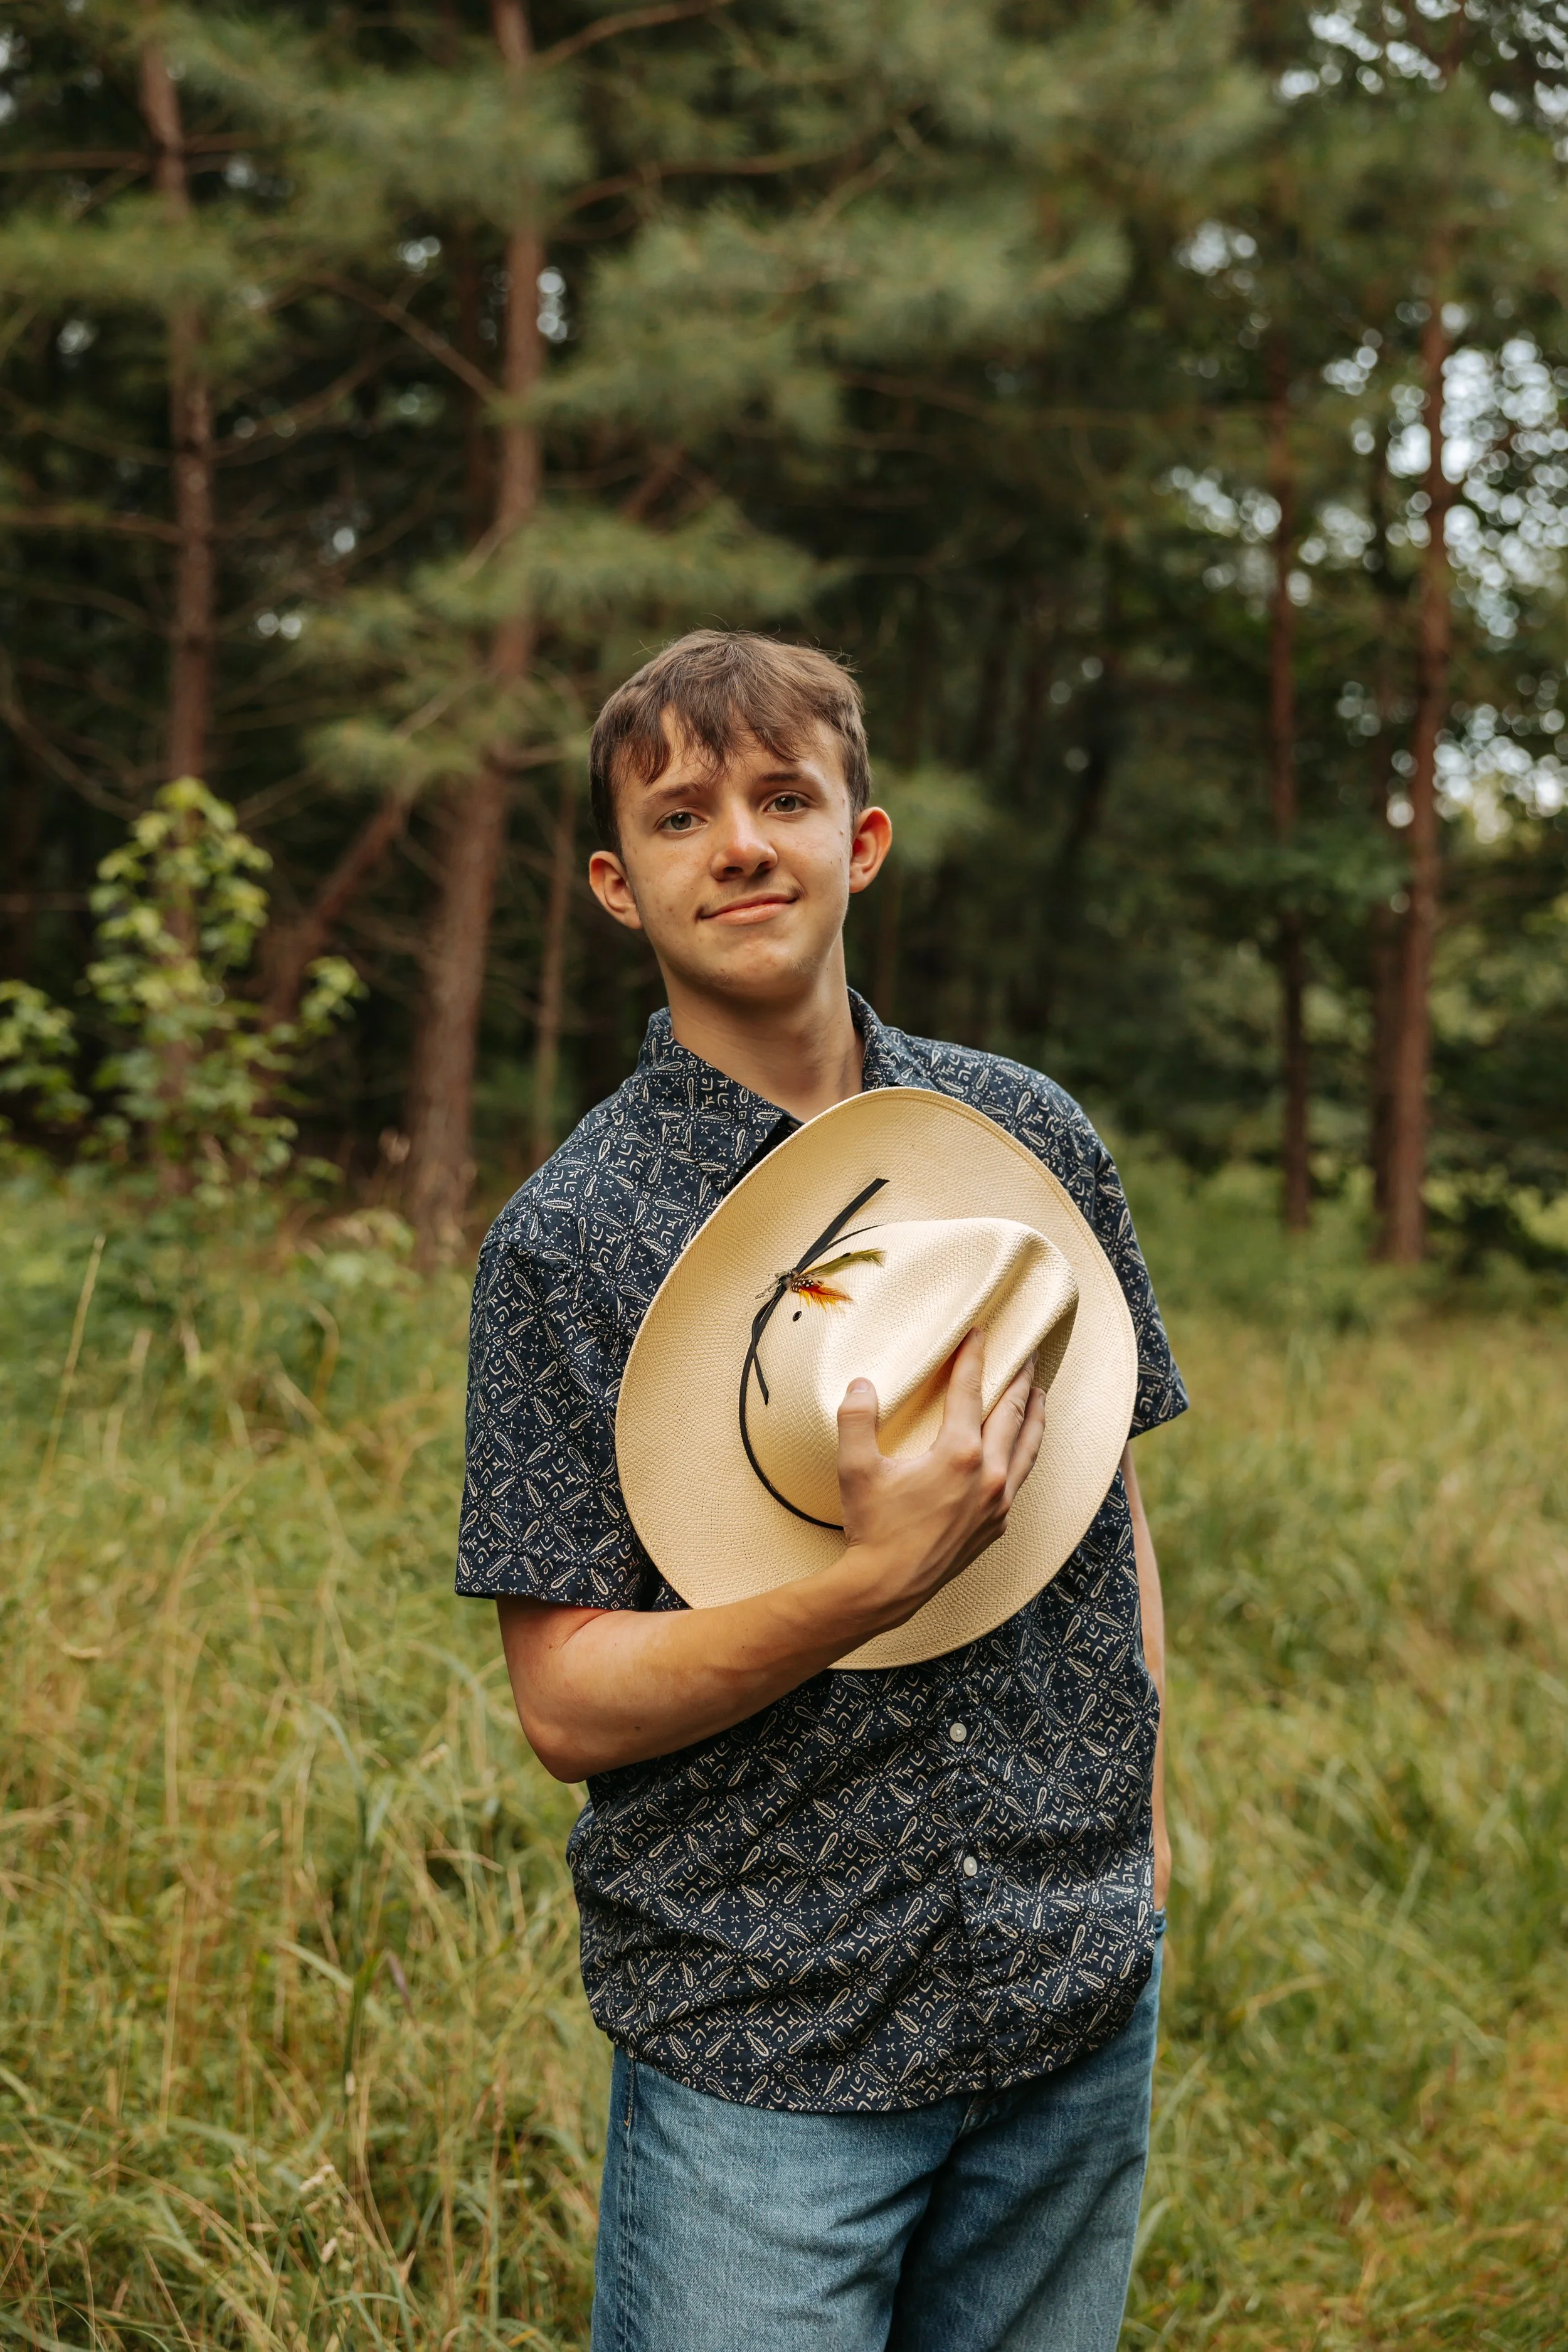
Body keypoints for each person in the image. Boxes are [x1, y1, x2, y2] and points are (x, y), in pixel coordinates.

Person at [456, 630, 1187, 2352]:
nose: (741, 844)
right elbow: (565, 1698)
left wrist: (1139, 1846)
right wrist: (864, 1581)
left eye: (785, 796)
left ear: (859, 839)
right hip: (766, 2044)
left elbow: (1109, 1504)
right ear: (616, 884)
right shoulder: (564, 1242)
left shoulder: (1028, 1137)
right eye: (682, 811)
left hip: (1067, 1984)